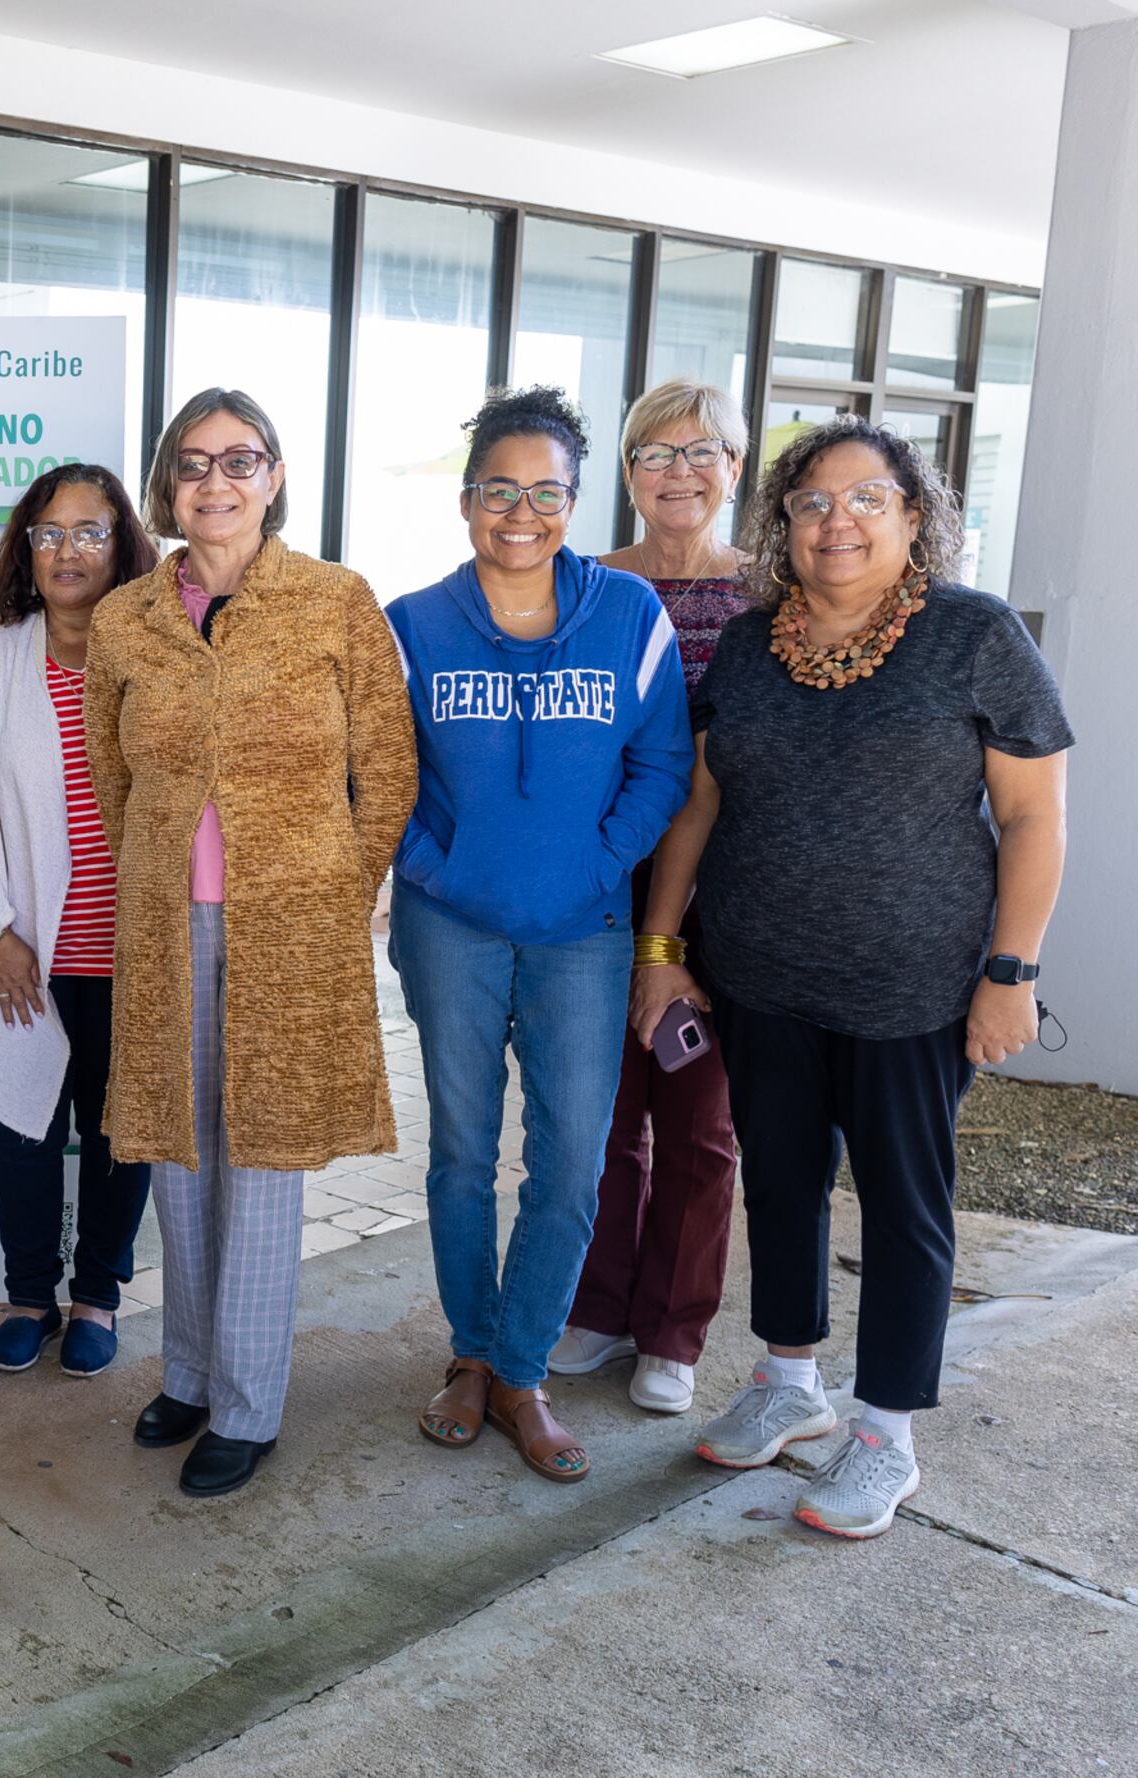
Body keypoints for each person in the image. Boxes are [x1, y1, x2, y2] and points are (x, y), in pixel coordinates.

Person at [633, 416, 1070, 1539]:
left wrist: (1009, 973)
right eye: (813, 501)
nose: (837, 522)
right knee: (777, 1182)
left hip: (913, 990)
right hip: (760, 978)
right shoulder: (748, 644)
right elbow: (699, 802)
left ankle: (884, 1434)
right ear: (781, 520)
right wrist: (664, 949)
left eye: (867, 498)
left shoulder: (971, 637)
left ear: (915, 514)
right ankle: (790, 1378)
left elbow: (1030, 817)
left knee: (903, 1206)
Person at [85, 389, 417, 1497]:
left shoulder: (332, 600)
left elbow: (388, 762)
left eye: (240, 460)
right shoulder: (129, 615)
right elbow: (109, 769)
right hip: (164, 918)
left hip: (293, 923)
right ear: (164, 484)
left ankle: (246, 1401)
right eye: (191, 463)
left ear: (274, 475)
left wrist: (336, 888)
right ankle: (184, 1371)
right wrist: (150, 871)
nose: (214, 483)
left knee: (261, 1160)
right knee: (180, 1154)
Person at [386, 386, 691, 1487]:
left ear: (574, 496)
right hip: (447, 926)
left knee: (567, 1160)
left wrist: (597, 859)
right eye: (498, 489)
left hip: (584, 930)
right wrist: (441, 866)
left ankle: (522, 1371)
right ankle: (469, 1353)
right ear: (468, 498)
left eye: (546, 490)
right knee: (462, 1150)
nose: (521, 511)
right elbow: (380, 779)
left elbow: (663, 764)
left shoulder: (626, 616)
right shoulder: (411, 624)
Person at [551, 379, 756, 1415]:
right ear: (625, 473)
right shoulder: (582, 585)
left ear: (734, 466)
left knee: (700, 1118)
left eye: (701, 450)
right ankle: (598, 1303)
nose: (678, 472)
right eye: (654, 453)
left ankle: (673, 1329)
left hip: (732, 888)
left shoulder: (775, 595)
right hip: (601, 875)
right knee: (601, 1110)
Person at [0, 464, 159, 1378]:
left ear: (123, 546)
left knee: (118, 1133)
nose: (69, 550)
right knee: (23, 1134)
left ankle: (97, 1298)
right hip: (24, 952)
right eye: (50, 532)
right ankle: (30, 1297)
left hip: (132, 950)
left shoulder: (153, 653)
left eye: (90, 532)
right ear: (27, 547)